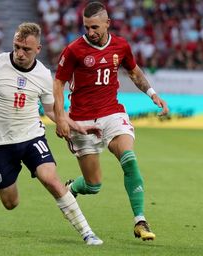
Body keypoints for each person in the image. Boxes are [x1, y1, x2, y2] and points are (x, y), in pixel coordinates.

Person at [0, 22, 103, 245]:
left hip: (31, 136)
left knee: (51, 179)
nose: (20, 53)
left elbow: (51, 110)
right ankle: (0, 182)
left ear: (38, 49)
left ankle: (87, 232)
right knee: (11, 203)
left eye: (26, 49)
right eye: (17, 46)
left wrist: (76, 125)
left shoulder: (42, 75)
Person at [53, 1, 169, 241]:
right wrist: (61, 116)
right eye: (86, 27)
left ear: (108, 23)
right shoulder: (74, 49)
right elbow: (58, 83)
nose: (90, 32)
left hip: (112, 113)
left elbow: (135, 73)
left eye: (95, 27)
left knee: (129, 158)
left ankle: (140, 220)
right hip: (82, 120)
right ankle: (74, 188)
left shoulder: (121, 46)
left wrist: (153, 94)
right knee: (94, 186)